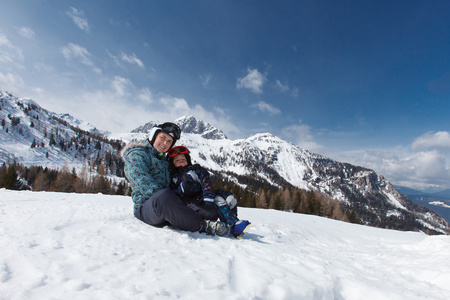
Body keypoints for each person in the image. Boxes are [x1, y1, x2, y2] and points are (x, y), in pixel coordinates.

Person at [122, 122, 230, 236]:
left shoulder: (165, 161)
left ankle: (189, 217)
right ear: (153, 136)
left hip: (170, 201)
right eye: (162, 138)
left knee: (210, 211)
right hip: (147, 206)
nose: (165, 143)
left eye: (169, 141)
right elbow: (141, 181)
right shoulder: (137, 155)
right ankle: (203, 225)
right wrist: (174, 197)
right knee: (163, 198)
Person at [168, 145, 251, 238]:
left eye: (183, 158)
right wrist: (181, 190)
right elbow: (172, 192)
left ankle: (233, 221)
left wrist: (208, 193)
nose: (181, 161)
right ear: (172, 163)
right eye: (177, 160)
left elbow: (205, 180)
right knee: (219, 200)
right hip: (192, 201)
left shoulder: (195, 169)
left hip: (205, 194)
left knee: (229, 198)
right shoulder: (173, 177)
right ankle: (233, 225)